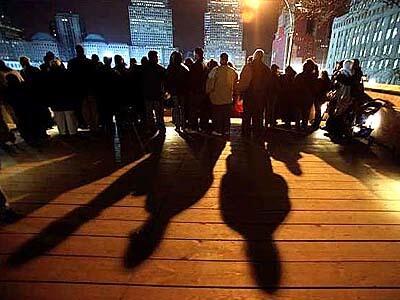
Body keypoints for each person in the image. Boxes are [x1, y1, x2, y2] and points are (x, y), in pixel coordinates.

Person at [238, 49, 272, 140]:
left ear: (254, 56)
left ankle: (245, 134)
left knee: (247, 116)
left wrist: (240, 92)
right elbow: (269, 84)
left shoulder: (248, 67)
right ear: (262, 57)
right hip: (261, 98)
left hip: (249, 96)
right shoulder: (266, 69)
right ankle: (257, 134)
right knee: (258, 117)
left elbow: (244, 83)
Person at [206, 53, 238, 137]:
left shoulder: (215, 70)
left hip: (217, 98)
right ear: (227, 60)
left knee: (217, 116)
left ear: (221, 59)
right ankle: (226, 130)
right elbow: (235, 84)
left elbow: (210, 84)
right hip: (228, 98)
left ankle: (218, 130)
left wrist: (208, 92)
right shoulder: (233, 71)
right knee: (226, 116)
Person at [68, 45, 95, 130]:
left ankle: (84, 124)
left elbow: (70, 76)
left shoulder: (72, 62)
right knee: (92, 109)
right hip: (90, 89)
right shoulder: (89, 62)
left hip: (78, 90)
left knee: (81, 109)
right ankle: (93, 124)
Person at [48, 58, 78, 136]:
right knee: (70, 118)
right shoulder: (66, 73)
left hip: (56, 101)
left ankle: (63, 133)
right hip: (67, 100)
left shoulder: (49, 75)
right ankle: (72, 132)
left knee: (59, 119)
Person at [325, 59, 354, 139]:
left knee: (336, 116)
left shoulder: (341, 74)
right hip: (346, 98)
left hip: (339, 97)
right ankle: (337, 133)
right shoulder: (351, 75)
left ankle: (334, 133)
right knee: (340, 117)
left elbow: (336, 85)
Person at [142, 50, 167, 133]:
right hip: (157, 95)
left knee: (149, 114)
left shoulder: (144, 69)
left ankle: (151, 128)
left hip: (148, 95)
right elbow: (165, 82)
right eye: (156, 57)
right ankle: (161, 128)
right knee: (159, 113)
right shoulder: (160, 69)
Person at [187, 47, 210, 133]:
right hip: (203, 91)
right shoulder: (205, 64)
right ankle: (203, 127)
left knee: (193, 110)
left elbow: (192, 80)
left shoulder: (195, 66)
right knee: (203, 111)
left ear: (196, 54)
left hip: (196, 91)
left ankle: (193, 127)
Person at [166, 51, 189, 132]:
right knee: (182, 109)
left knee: (176, 109)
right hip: (183, 92)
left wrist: (168, 90)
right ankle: (183, 125)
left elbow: (167, 80)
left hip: (174, 92)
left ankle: (178, 125)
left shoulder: (170, 68)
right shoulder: (184, 68)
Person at [294, 59, 319, 130]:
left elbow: (295, 86)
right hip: (308, 97)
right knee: (306, 112)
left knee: (299, 112)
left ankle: (298, 125)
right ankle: (304, 125)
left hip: (300, 96)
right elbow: (314, 88)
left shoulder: (299, 76)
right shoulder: (313, 77)